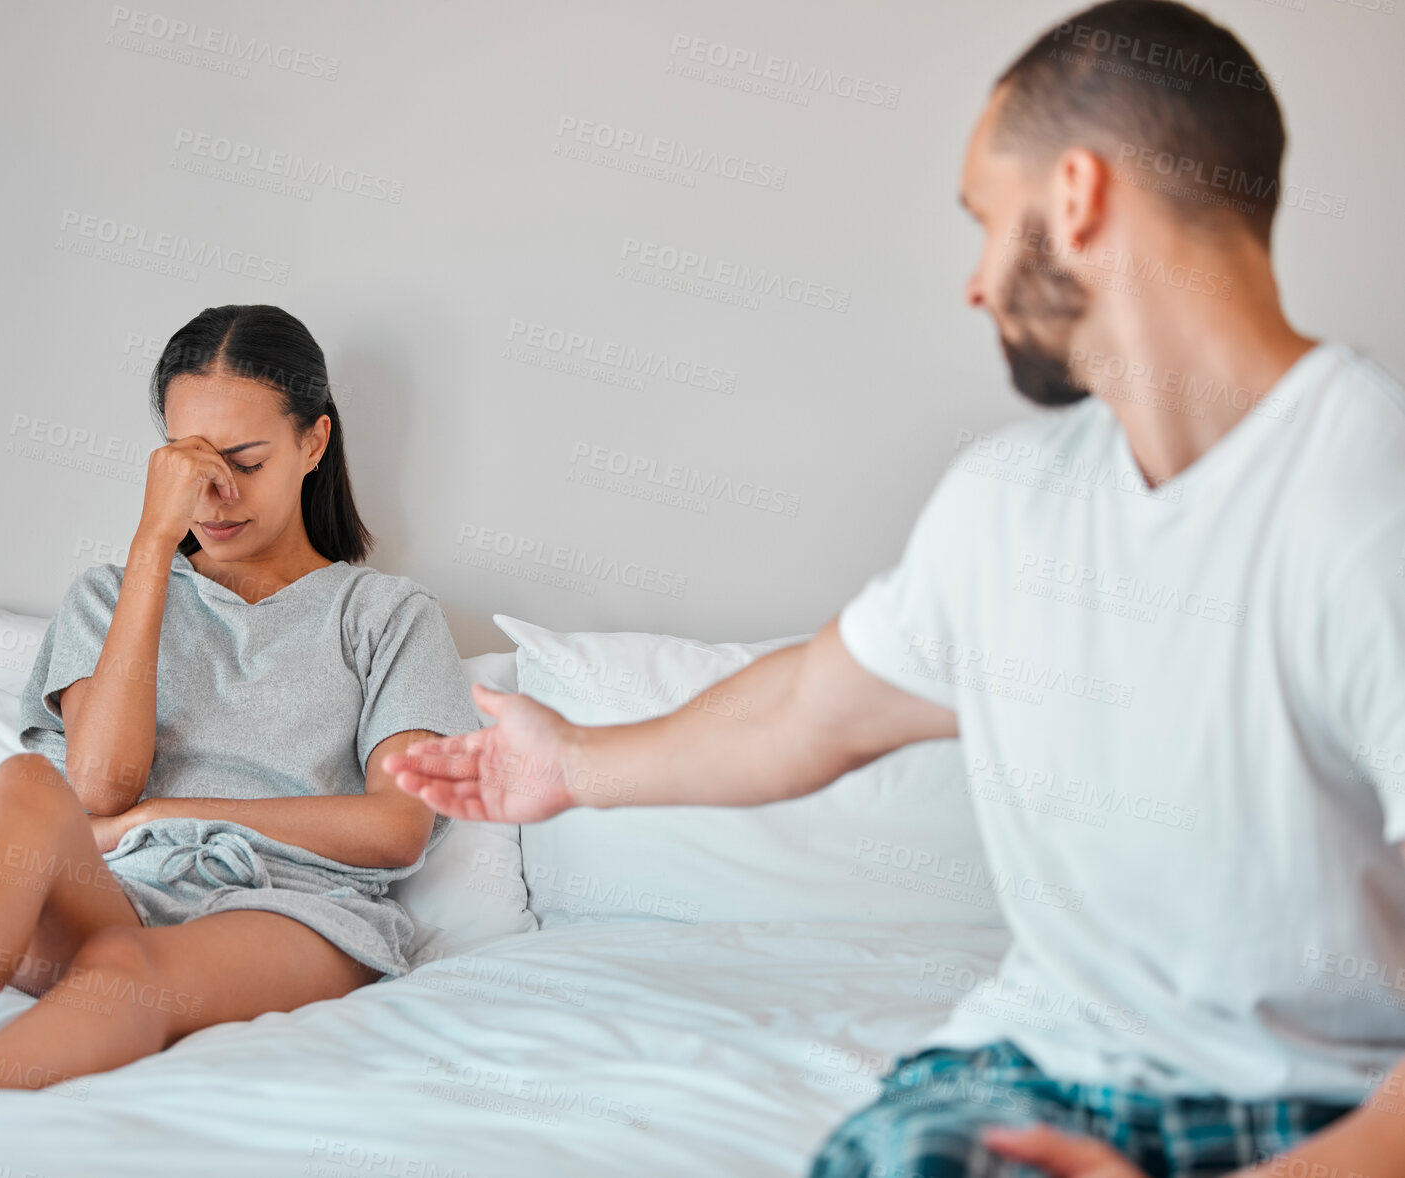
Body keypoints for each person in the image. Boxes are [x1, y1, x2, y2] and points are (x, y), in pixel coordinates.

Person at [385, 3, 1405, 1175]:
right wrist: (574, 764)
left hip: (1329, 1104)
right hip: (1040, 1063)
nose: (974, 284)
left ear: (1074, 196)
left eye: (986, 220)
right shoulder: (1004, 501)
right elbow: (811, 708)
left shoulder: (1364, 496)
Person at [0, 304, 483, 1094]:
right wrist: (153, 545)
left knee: (123, 964)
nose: (216, 496)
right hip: (118, 887)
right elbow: (99, 789)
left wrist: (167, 816)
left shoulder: (384, 614)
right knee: (25, 784)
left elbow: (396, 827)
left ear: (312, 442)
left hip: (293, 910)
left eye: (246, 462)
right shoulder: (107, 599)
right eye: (191, 466)